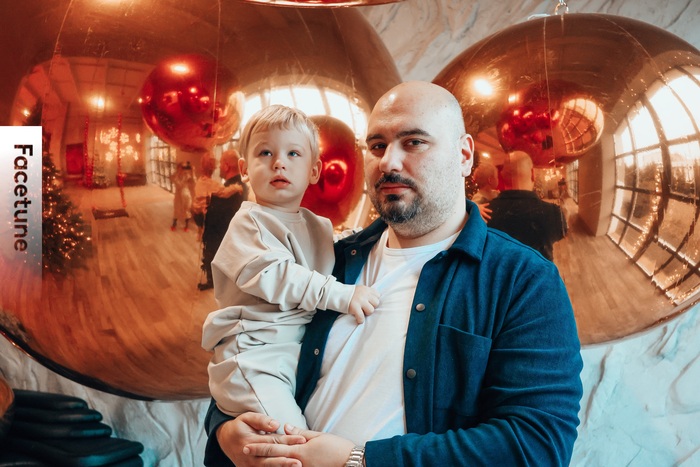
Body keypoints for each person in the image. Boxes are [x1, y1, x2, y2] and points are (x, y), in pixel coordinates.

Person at [203, 81, 583, 467]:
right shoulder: (333, 260)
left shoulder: (523, 280)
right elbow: (255, 353)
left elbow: (537, 444)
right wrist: (224, 430)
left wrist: (358, 460)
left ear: (464, 155)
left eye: (413, 142)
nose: (388, 162)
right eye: (377, 146)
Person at [201, 105, 381, 433]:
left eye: (293, 153)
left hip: (294, 352)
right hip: (255, 357)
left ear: (314, 171)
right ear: (244, 169)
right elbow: (280, 276)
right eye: (265, 153)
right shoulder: (249, 223)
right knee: (292, 436)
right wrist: (342, 295)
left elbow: (332, 250)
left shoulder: (315, 224)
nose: (279, 163)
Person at [487, 150, 568, 261]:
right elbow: (562, 232)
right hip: (538, 272)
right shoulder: (553, 213)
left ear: (502, 175)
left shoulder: (484, 213)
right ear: (533, 174)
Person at [199, 150, 247, 291]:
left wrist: (203, 211)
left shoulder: (228, 191)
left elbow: (215, 218)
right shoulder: (241, 185)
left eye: (220, 163)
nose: (218, 167)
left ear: (226, 166)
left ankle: (215, 282)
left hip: (221, 238)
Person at [170, 161, 195, 231]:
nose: (183, 169)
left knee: (187, 209)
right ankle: (174, 224)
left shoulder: (187, 175)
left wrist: (193, 172)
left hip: (186, 194)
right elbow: (176, 183)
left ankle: (186, 226)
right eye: (181, 167)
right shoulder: (175, 175)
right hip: (178, 195)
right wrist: (178, 173)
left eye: (184, 167)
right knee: (177, 210)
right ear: (178, 168)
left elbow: (193, 182)